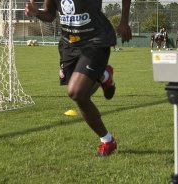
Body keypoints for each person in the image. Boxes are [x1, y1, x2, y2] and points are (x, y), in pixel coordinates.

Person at [25, 0, 132, 156]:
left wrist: (123, 22)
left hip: (95, 40)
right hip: (69, 44)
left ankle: (107, 141)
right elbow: (50, 15)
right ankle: (103, 76)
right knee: (81, 96)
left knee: (76, 92)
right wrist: (36, 13)